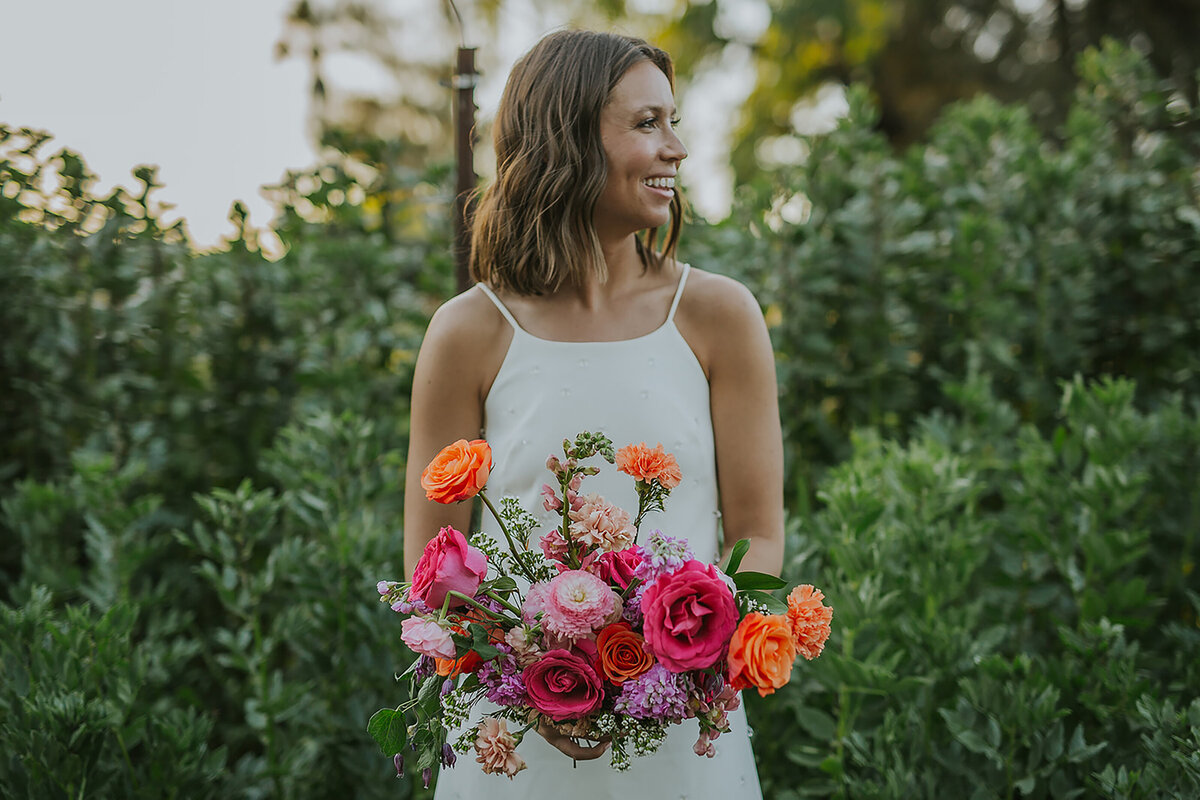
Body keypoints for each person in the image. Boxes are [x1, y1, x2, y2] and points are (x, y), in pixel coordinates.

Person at [403, 29, 784, 800]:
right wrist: (538, 668)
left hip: (683, 735)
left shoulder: (718, 316)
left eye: (672, 122)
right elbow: (434, 571)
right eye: (647, 124)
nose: (675, 147)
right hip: (508, 742)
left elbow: (759, 536)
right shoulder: (468, 331)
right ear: (567, 141)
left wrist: (676, 666)